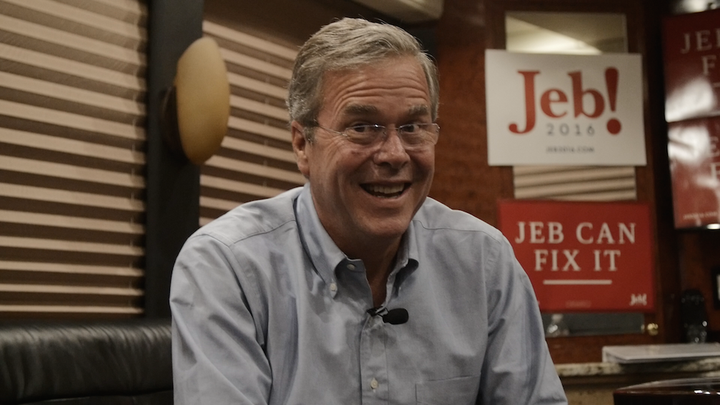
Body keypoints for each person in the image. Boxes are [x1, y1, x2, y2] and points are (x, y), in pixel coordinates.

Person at [170, 17, 567, 405]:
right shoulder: (227, 266)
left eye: (413, 127)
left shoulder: (483, 260)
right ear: (302, 144)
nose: (394, 154)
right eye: (362, 127)